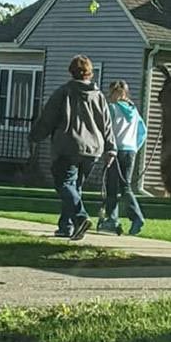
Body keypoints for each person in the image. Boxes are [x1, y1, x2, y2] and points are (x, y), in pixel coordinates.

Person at [28, 55, 117, 241]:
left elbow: (48, 118)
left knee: (65, 184)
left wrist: (35, 136)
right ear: (90, 73)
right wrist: (111, 148)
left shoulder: (63, 92)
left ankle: (80, 217)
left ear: (71, 72)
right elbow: (106, 124)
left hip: (68, 147)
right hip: (93, 149)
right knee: (75, 187)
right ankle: (66, 227)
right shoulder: (99, 96)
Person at [98, 80, 147, 236]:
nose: (109, 95)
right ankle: (126, 219)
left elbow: (106, 130)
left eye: (111, 92)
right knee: (124, 185)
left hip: (115, 151)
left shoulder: (112, 109)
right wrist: (135, 146)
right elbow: (143, 132)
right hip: (130, 151)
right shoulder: (134, 111)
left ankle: (119, 219)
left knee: (113, 186)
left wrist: (105, 149)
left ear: (115, 93)